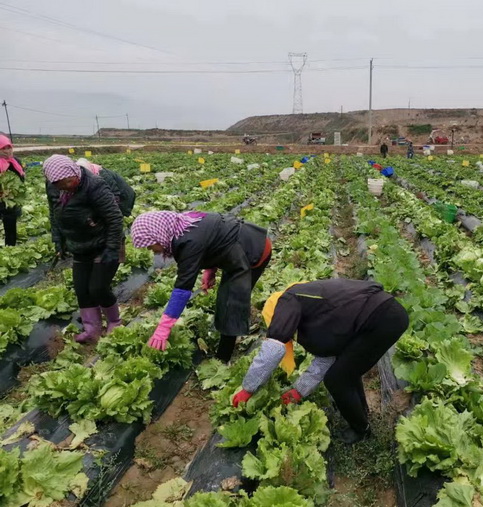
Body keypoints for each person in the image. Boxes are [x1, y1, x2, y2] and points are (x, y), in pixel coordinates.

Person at [231, 279, 409, 444]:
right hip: (383, 316)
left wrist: (248, 389)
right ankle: (362, 414)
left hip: (382, 318)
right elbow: (326, 358)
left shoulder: (287, 301)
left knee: (337, 379)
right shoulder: (312, 313)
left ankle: (361, 430)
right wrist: (298, 391)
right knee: (346, 371)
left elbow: (274, 348)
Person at [131, 210, 272, 362]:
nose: (151, 250)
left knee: (231, 304)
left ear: (157, 234)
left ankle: (223, 359)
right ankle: (225, 344)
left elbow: (183, 288)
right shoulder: (185, 223)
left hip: (254, 252)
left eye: (150, 245)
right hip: (239, 247)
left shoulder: (188, 242)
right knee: (225, 300)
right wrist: (210, 269)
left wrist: (164, 327)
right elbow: (215, 235)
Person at [43, 155, 124, 342]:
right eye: (61, 185)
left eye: (70, 181)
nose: (67, 186)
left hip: (105, 243)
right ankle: (92, 330)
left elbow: (114, 217)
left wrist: (112, 248)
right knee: (82, 290)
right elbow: (54, 215)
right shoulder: (54, 187)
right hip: (79, 245)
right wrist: (59, 241)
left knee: (97, 288)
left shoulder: (94, 185)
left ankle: (115, 322)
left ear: (74, 173)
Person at [0, 135, 25, 246]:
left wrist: (12, 192)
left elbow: (21, 180)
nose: (7, 151)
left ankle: (10, 249)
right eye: (3, 148)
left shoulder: (16, 162)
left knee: (10, 229)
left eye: (8, 147)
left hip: (10, 202)